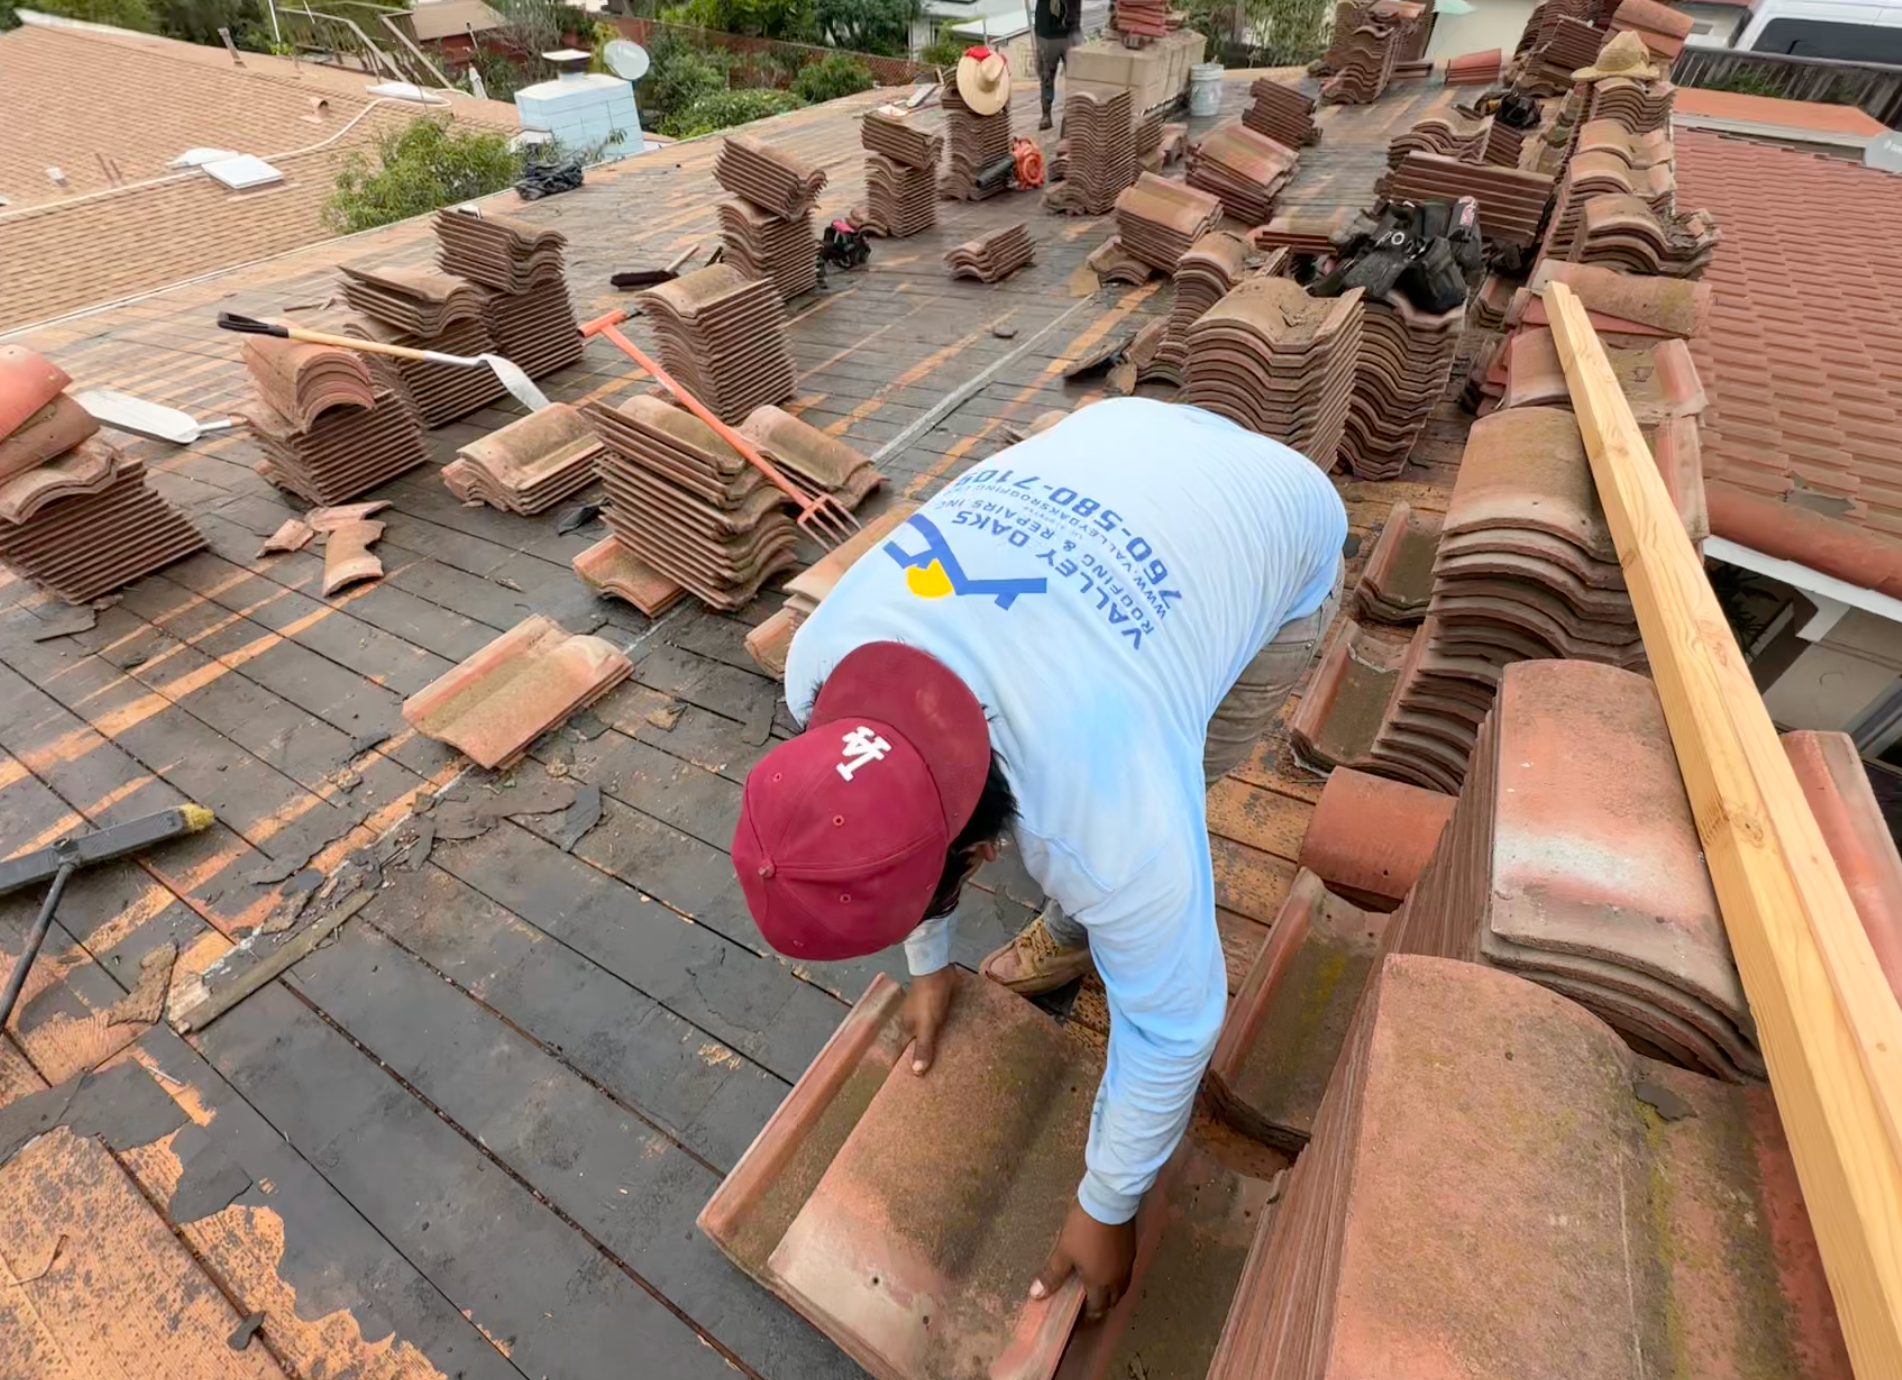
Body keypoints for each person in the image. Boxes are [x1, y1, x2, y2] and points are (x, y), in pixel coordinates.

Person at [731, 398, 1346, 1317]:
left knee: (1195, 755)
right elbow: (887, 810)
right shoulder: (820, 662)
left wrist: (1107, 1205)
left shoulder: (1118, 814)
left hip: (1278, 523)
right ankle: (1070, 929)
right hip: (1114, 449)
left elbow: (1177, 1025)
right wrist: (926, 967)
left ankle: (1075, 927)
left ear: (981, 855)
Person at [1035, 0, 1083, 129]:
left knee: (1076, 76)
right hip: (1047, 30)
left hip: (1071, 29)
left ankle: (1072, 115)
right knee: (1046, 75)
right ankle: (1046, 113)